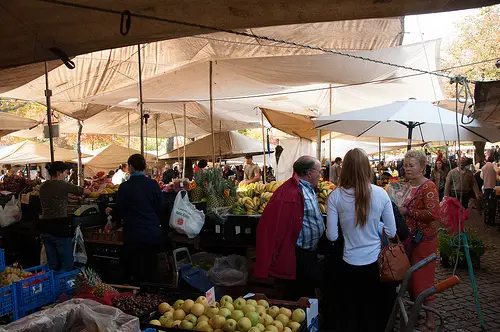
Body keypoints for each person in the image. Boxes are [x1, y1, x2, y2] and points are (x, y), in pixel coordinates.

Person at [326, 148, 396, 332]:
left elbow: (332, 236)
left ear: (344, 168)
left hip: (347, 264)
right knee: (372, 313)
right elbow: (391, 231)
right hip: (375, 264)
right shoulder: (381, 194)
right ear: (367, 168)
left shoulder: (335, 196)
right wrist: (376, 227)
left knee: (350, 314)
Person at [254, 156, 324, 300]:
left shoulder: (309, 189)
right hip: (297, 257)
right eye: (319, 171)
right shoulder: (287, 192)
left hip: (311, 254)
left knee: (309, 293)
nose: (321, 174)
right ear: (310, 173)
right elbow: (273, 227)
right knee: (298, 295)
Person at [105, 154, 164, 285]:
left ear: (130, 167)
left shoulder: (125, 187)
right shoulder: (153, 184)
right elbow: (160, 207)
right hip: (152, 232)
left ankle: (137, 295)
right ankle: (152, 295)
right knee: (151, 267)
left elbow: (119, 210)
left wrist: (111, 212)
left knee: (135, 268)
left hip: (134, 233)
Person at [400, 149, 439, 332]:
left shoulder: (428, 186)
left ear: (422, 167)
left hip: (424, 241)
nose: (407, 168)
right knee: (411, 279)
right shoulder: (405, 185)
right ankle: (417, 312)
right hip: (408, 240)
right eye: (406, 165)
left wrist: (408, 212)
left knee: (423, 279)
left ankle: (431, 321)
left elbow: (433, 214)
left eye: (411, 165)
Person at [39, 162, 90, 273]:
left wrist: (72, 198)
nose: (66, 175)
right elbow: (84, 191)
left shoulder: (43, 186)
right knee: (66, 261)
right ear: (58, 172)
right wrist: (95, 190)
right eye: (65, 172)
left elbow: (57, 197)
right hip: (59, 225)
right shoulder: (61, 184)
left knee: (52, 263)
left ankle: (53, 285)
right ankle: (64, 286)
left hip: (44, 227)